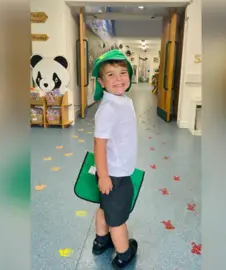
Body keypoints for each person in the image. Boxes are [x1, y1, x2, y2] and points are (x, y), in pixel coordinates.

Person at [91, 49, 138, 269]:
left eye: (122, 72)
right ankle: (123, 253)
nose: (118, 78)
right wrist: (104, 176)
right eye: (111, 74)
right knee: (117, 219)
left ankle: (101, 242)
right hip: (113, 175)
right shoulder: (108, 108)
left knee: (104, 207)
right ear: (101, 82)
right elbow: (99, 145)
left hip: (115, 171)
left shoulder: (123, 100)